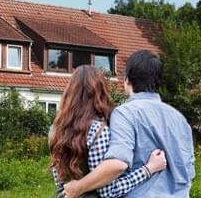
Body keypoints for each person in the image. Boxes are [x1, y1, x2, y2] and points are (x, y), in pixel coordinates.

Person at [63, 50, 195, 198]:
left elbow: (118, 164)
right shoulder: (180, 119)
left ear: (127, 80)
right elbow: (188, 171)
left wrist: (78, 187)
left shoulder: (124, 114)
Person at [49, 65, 167, 198]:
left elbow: (58, 180)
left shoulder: (55, 129)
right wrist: (148, 169)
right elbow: (108, 191)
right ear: (100, 93)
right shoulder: (98, 131)